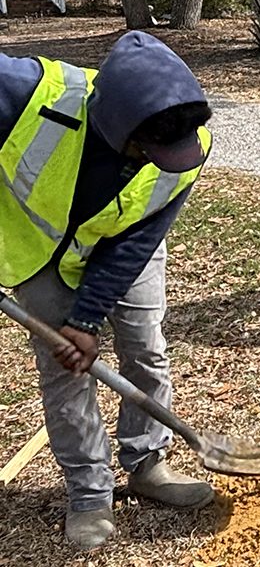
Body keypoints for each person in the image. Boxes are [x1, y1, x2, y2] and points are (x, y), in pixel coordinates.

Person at [0, 31, 216, 550]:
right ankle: (90, 494)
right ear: (118, 124)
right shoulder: (26, 93)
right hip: (42, 252)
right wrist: (76, 330)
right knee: (67, 370)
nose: (158, 160)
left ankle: (147, 462)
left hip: (125, 246)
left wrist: (90, 317)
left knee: (146, 347)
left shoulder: (191, 141)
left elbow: (141, 236)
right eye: (149, 149)